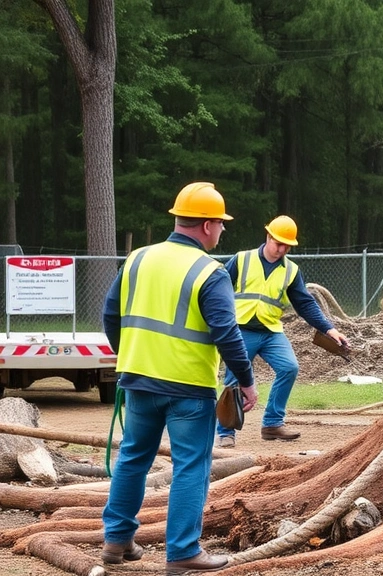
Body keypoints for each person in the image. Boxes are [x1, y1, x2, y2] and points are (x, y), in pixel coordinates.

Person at [99, 182, 258, 574]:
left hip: (138, 380)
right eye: (220, 224)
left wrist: (132, 354)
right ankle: (183, 551)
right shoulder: (210, 271)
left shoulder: (137, 258)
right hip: (187, 388)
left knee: (133, 458)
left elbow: (109, 314)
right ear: (206, 225)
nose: (222, 230)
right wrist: (246, 379)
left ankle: (116, 541)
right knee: (191, 466)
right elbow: (226, 331)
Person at [215, 215, 349, 448]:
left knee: (289, 367)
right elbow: (218, 288)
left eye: (287, 245)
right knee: (234, 379)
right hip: (240, 330)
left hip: (270, 331)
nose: (282, 249)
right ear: (268, 237)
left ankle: (272, 424)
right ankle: (226, 432)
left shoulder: (291, 270)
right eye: (279, 243)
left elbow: (305, 304)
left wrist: (329, 329)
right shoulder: (242, 260)